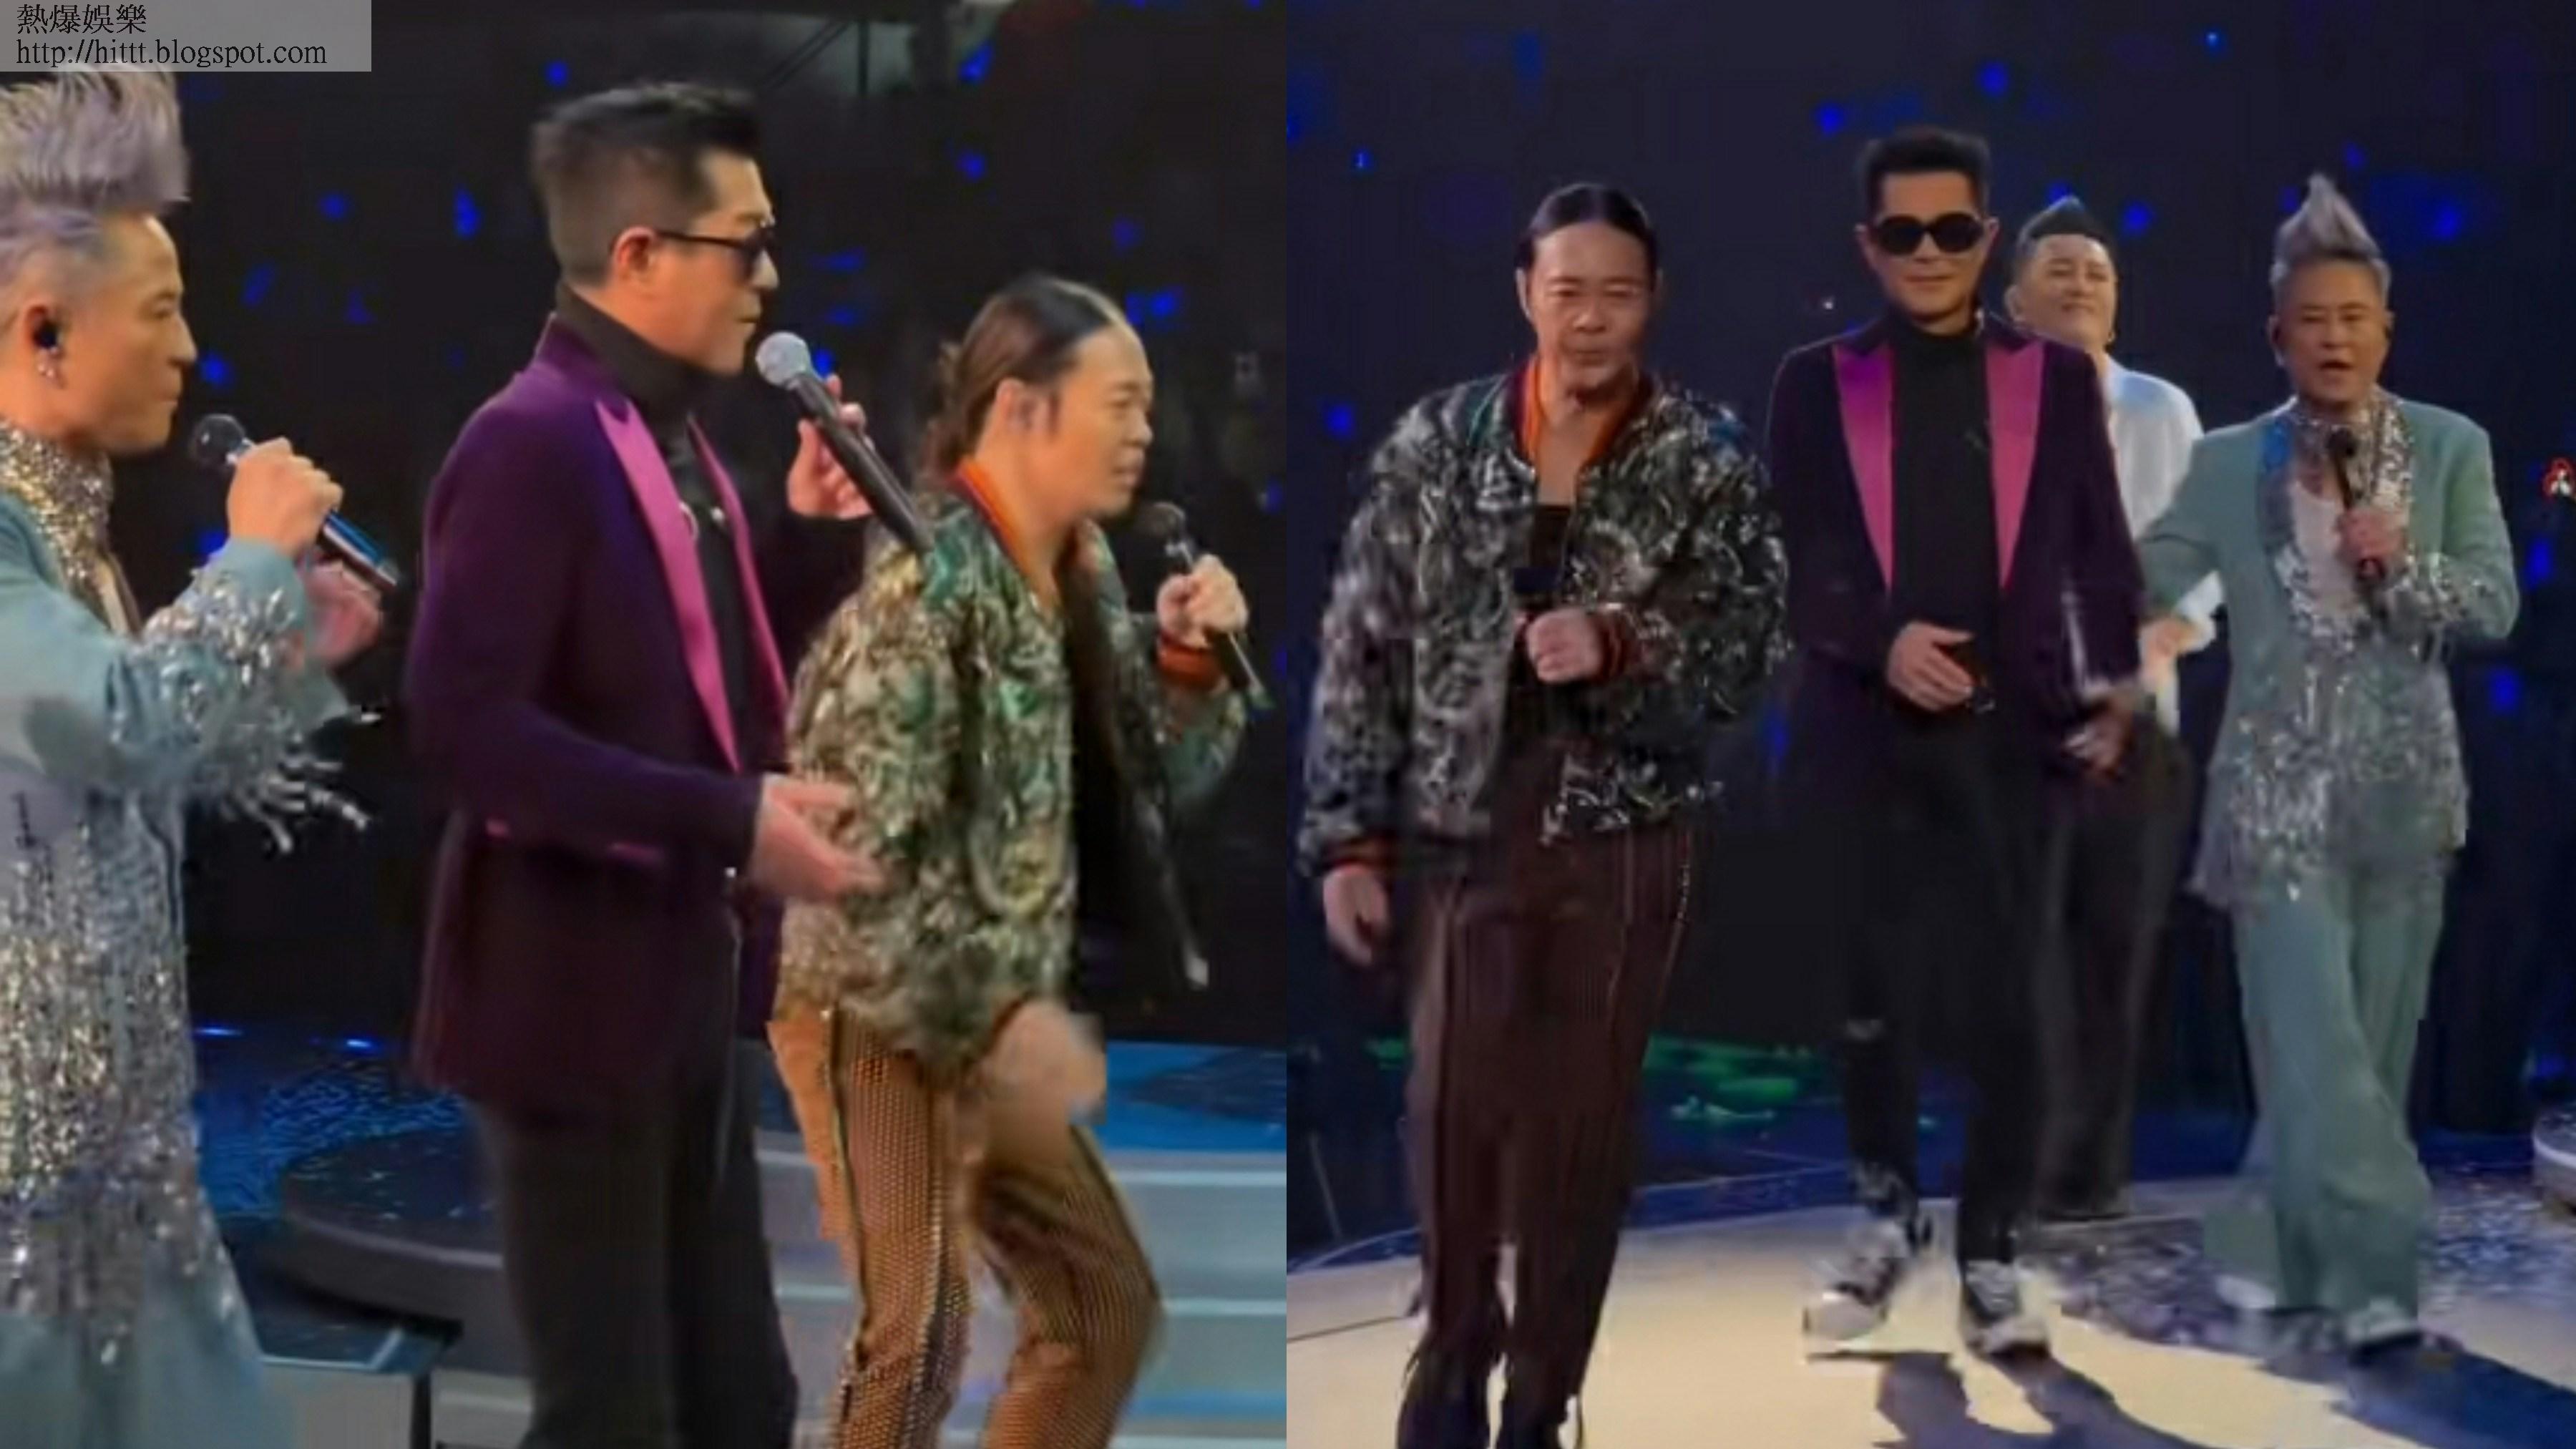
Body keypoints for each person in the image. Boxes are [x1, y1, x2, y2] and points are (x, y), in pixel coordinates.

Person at [404, 82, 879, 1448]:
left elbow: (691, 681)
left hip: (678, 988)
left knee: (740, 1401)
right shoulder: (530, 441)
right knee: (611, 1416)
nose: (769, 278)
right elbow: (466, 728)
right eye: (747, 243)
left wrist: (803, 540)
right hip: (569, 1005)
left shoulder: (664, 437)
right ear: (639, 254)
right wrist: (731, 820)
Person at [1302, 183, 1787, 1448]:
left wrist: (1624, 639)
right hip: (1468, 817)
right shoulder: (1442, 438)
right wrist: (1351, 836)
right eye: (1568, 290)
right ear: (1525, 292)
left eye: (1617, 293)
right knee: (1450, 1104)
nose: (1590, 317)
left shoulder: (1705, 453)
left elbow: (1753, 643)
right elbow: (1360, 637)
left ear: (1654, 300)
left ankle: (1541, 1392)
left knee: (1580, 1121)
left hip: (1628, 824)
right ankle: (1455, 1349)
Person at [770, 275, 1249, 1448]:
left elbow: (1150, 783)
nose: (1145, 431)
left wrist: (1190, 663)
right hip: (875, 1005)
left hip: (982, 1012)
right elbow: (850, 848)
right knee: (918, 1333)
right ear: (1024, 407)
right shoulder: (925, 582)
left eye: (1148, 405)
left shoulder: (1079, 566)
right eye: (1119, 403)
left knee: (1100, 1305)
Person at [0, 68, 381, 1446]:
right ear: (45, 329)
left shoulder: (72, 542)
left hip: (121, 1182)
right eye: (159, 311)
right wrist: (253, 561)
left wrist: (282, 655)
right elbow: (114, 717)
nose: (189, 347)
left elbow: (132, 781)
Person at [1768, 127, 2142, 1360]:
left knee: (2013, 1006)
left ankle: (1989, 1250)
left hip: (2014, 741)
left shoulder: (2057, 380)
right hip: (1861, 733)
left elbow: (2099, 553)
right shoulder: (1814, 383)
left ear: (1986, 237)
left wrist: (2112, 686)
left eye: (1951, 229)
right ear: (1868, 244)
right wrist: (1879, 642)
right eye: (1903, 231)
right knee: (1870, 994)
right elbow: (1789, 560)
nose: (1927, 251)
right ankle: (1886, 1215)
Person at [2134, 175, 2517, 1357]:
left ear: (2386, 330)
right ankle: (2375, 1276)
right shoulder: (2226, 462)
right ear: (2277, 336)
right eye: (2313, 319)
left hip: (2407, 797)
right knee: (2317, 1044)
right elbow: (2134, 576)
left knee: (2375, 1047)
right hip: (2275, 798)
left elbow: (2495, 604)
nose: (2335, 338)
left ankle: (2283, 1247)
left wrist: (2409, 567)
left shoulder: (2450, 448)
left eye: (2355, 318)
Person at [2001, 195, 2217, 1221]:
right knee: (2023, 953)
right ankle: (2025, 1154)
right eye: (2060, 269)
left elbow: (2205, 550)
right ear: (2014, 302)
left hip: (2135, 726)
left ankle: (2089, 1175)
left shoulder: (2160, 410)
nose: (2081, 283)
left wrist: (2155, 646)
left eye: (2096, 271)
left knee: (2113, 951)